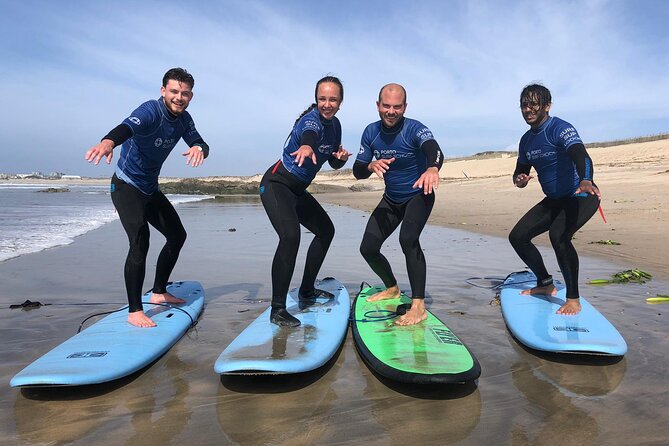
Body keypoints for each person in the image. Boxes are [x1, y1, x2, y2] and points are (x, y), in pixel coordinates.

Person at [85, 67, 209, 328]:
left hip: (150, 189)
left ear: (191, 96)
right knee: (140, 240)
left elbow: (201, 142)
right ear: (163, 91)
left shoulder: (185, 119)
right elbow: (126, 128)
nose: (179, 97)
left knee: (177, 235)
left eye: (184, 93)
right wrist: (108, 142)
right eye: (174, 91)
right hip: (126, 186)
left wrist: (199, 148)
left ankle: (159, 290)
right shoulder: (150, 111)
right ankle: (134, 311)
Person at [260, 75, 350, 327]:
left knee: (326, 231)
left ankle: (307, 290)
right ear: (316, 99)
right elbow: (310, 135)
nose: (327, 104)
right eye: (322, 99)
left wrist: (340, 159)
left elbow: (331, 160)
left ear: (340, 102)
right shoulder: (309, 121)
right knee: (290, 237)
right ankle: (277, 308)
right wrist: (307, 146)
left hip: (298, 190)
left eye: (333, 99)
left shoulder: (336, 125)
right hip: (276, 184)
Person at [353, 83, 444, 326]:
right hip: (391, 199)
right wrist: (370, 165)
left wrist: (432, 167)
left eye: (397, 106)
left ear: (405, 107)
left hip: (418, 194)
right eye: (386, 105)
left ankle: (418, 305)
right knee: (368, 248)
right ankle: (392, 288)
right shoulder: (371, 132)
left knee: (408, 239)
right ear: (377, 106)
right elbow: (357, 170)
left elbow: (433, 150)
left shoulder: (415, 129)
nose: (391, 111)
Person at [509, 83, 601, 316]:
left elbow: (581, 155)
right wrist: (519, 179)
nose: (527, 109)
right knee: (518, 237)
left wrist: (586, 180)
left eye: (533, 104)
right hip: (554, 199)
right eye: (523, 105)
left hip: (581, 194)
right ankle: (545, 282)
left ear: (547, 106)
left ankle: (573, 299)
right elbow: (520, 171)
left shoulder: (560, 129)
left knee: (558, 236)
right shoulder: (526, 140)